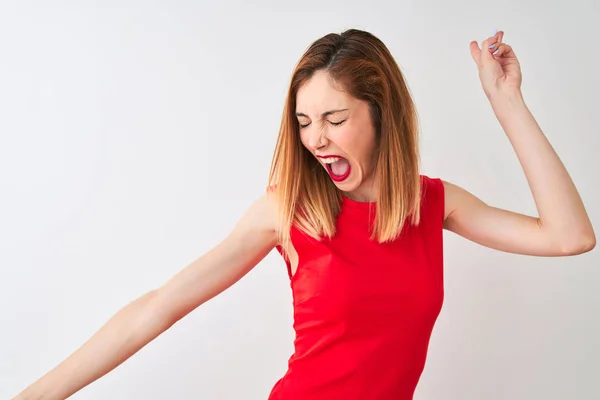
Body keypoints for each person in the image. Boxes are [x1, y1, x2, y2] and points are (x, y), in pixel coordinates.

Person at [13, 28, 595, 400]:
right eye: (304, 122)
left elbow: (569, 236)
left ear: (380, 114)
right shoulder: (286, 212)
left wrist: (507, 102)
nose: (316, 139)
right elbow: (157, 309)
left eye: (335, 120)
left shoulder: (432, 203)